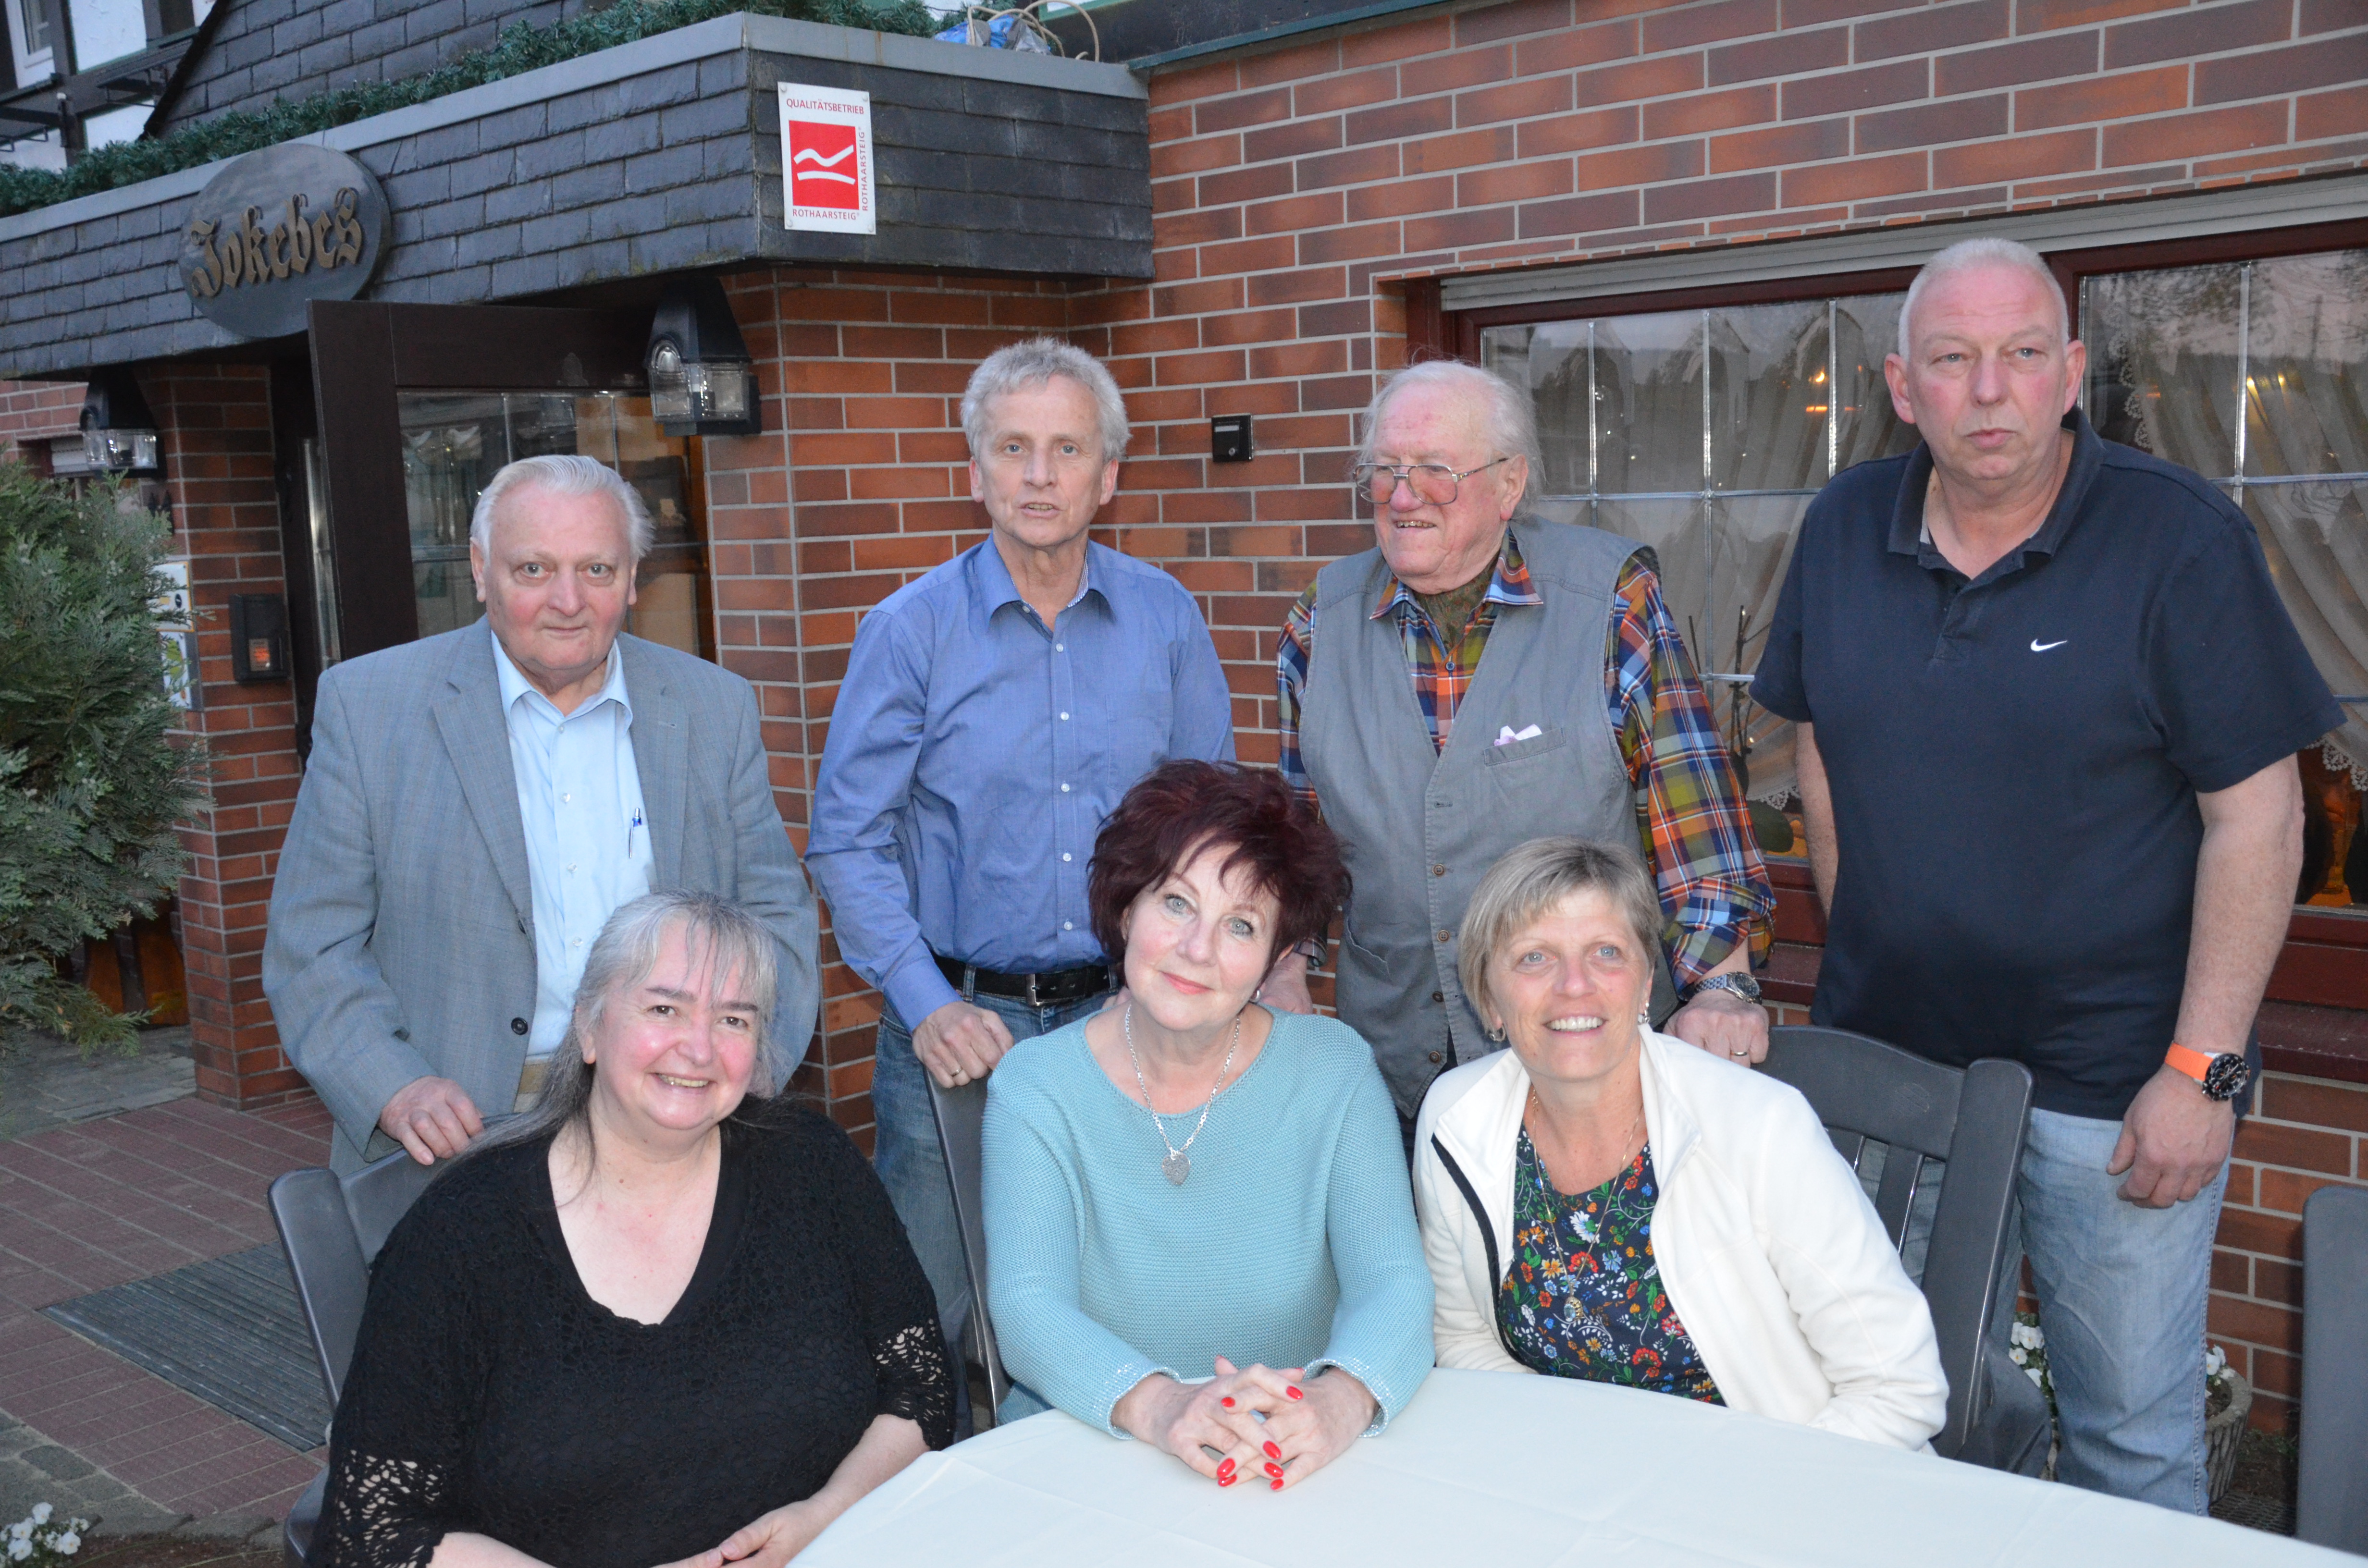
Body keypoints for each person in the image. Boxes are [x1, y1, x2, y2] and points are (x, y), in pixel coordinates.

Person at [1750, 236, 2341, 1508]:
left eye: (2023, 355)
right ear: (1904, 389)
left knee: (2130, 1446)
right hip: (1896, 1079)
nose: (1990, 390)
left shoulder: (2178, 542)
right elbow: (1822, 752)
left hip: (2117, 1088)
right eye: (1953, 361)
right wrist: (1875, 946)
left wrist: (2204, 1069)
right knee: (1895, 1410)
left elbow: (2262, 819)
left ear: (2070, 373)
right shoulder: (1846, 524)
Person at [807, 339, 1239, 1360]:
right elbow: (846, 841)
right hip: (956, 1039)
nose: (1039, 476)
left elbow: (1211, 829)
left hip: (1128, 1023)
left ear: (1108, 476)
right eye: (1013, 448)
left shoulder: (1166, 621)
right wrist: (927, 1005)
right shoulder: (908, 633)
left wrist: (1179, 981)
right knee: (920, 1327)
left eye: (1066, 450)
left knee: (1123, 1299)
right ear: (976, 473)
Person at [315, 892, 952, 1568]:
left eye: (733, 1019)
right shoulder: (462, 1237)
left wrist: (823, 1517)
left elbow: (923, 1386)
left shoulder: (812, 1165)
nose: (700, 1047)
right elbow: (372, 1528)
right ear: (590, 1028)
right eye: (664, 1008)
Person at [265, 455, 819, 1174]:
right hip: (457, 1135)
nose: (568, 600)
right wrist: (393, 1086)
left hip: (672, 1114)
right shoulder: (369, 708)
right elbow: (312, 943)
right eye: (534, 570)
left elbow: (774, 910)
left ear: (633, 580)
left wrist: (752, 1060)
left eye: (597, 570)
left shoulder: (713, 706)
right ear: (479, 568)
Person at [1273, 359, 1776, 1145]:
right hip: (1392, 1082)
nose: (1403, 497)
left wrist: (1723, 985)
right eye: (1384, 472)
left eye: (1434, 472)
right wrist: (1280, 968)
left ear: (1508, 485)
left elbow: (1693, 810)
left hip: (1585, 1071)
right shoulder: (1319, 620)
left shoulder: (1610, 600)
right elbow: (1298, 839)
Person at [983, 760, 1433, 1489]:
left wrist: (1337, 1402)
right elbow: (1028, 1307)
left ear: (1273, 959)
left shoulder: (1335, 1071)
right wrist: (1166, 1407)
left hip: (1288, 1463)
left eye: (1241, 926)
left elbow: (1394, 1284)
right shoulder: (1036, 1088)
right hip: (1088, 1460)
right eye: (1176, 904)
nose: (1198, 950)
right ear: (1127, 910)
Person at [1414, 837, 1946, 1449]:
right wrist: (1572, 1461)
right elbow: (1463, 1340)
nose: (1573, 986)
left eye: (1606, 953)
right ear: (1489, 999)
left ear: (1645, 986)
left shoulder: (1757, 1128)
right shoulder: (1456, 1118)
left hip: (1790, 1475)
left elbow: (1898, 1389)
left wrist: (1724, 1499)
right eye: (1533, 958)